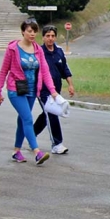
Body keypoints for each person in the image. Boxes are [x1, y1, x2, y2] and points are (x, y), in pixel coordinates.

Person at [0, 18, 60, 165]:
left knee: (22, 120)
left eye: (34, 31)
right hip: (16, 88)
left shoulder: (38, 50)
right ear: (23, 31)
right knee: (28, 119)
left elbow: (45, 71)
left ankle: (16, 151)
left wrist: (53, 91)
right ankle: (37, 152)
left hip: (31, 89)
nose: (32, 34)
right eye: (29, 31)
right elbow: (3, 71)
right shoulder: (13, 49)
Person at [33, 25, 74, 154]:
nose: (50, 39)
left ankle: (30, 134)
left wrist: (70, 85)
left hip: (56, 90)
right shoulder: (38, 52)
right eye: (47, 36)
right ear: (43, 37)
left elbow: (65, 69)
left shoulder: (59, 51)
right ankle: (57, 144)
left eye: (52, 36)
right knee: (51, 113)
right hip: (43, 90)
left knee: (46, 114)